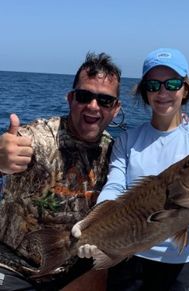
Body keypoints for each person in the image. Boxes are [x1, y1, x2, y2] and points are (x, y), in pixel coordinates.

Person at [73, 48, 189, 291]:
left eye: (172, 83)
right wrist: (92, 224)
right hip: (128, 257)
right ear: (144, 92)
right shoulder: (127, 141)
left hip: (180, 264)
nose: (163, 92)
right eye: (153, 85)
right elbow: (115, 186)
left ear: (185, 89)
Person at [0, 52, 121, 290]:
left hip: (74, 269)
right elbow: (12, 151)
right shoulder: (39, 138)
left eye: (105, 101)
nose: (93, 106)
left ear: (116, 109)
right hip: (12, 267)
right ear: (70, 99)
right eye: (84, 96)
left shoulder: (115, 153)